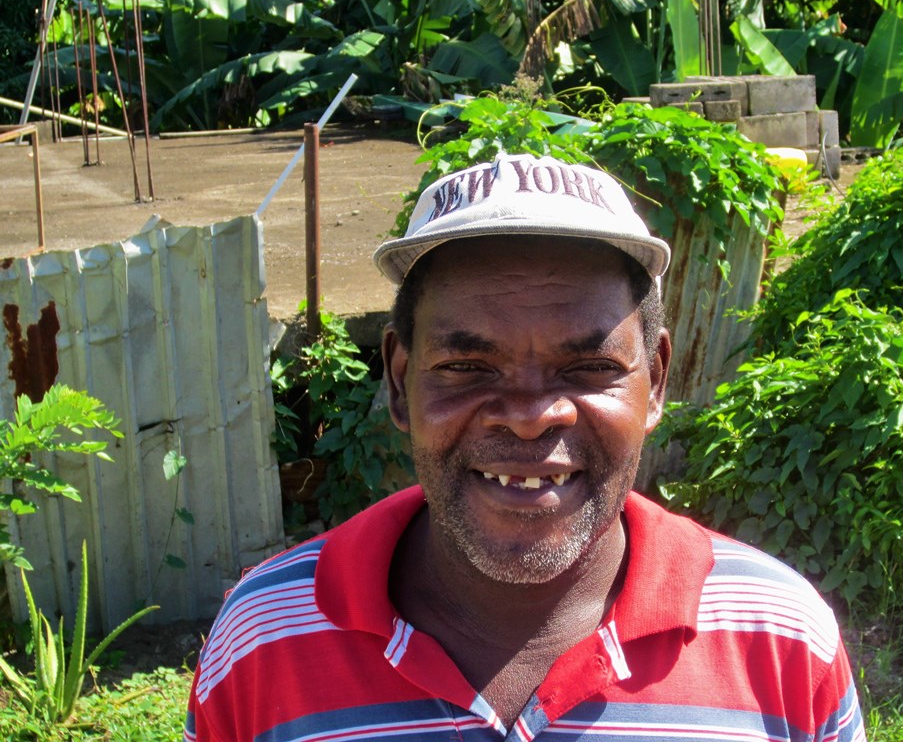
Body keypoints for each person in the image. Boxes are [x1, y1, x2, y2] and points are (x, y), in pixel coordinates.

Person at [185, 153, 866, 742]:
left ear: (655, 381)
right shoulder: (264, 639)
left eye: (589, 368)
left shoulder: (780, 640)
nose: (532, 417)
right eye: (469, 368)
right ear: (399, 382)